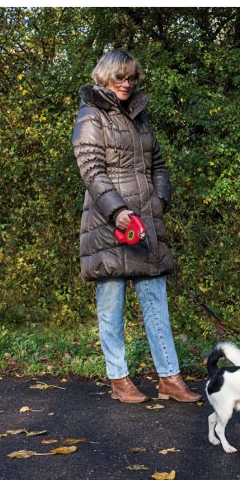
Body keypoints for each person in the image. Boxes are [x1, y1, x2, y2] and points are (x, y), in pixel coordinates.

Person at [72, 49, 201, 403]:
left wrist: (159, 202)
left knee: (156, 300)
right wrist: (117, 212)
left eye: (132, 78)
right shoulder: (90, 117)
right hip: (107, 225)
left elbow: (158, 164)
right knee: (111, 305)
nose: (127, 84)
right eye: (121, 77)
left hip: (146, 223)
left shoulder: (141, 117)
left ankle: (169, 378)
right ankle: (119, 380)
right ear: (105, 76)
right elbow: (91, 171)